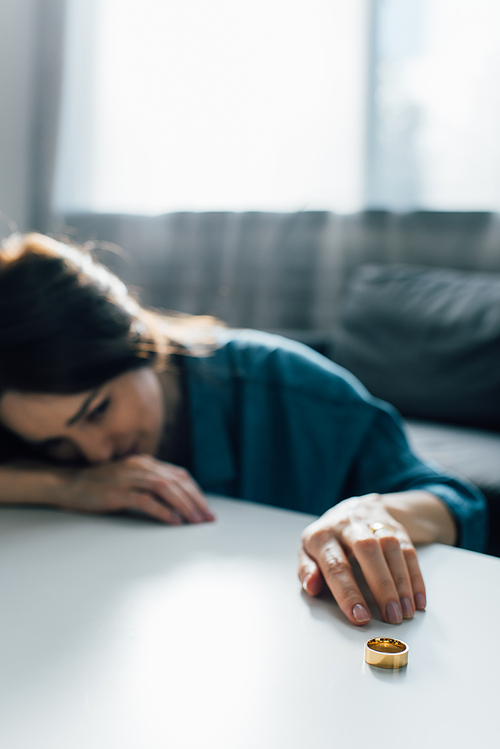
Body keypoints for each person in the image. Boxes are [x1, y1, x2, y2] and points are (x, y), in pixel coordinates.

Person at [0, 232, 486, 628]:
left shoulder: (287, 385)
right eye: (56, 445)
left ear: (137, 335)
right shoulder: (49, 441)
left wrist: (371, 513)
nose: (94, 453)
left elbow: (453, 500)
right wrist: (63, 484)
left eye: (97, 410)